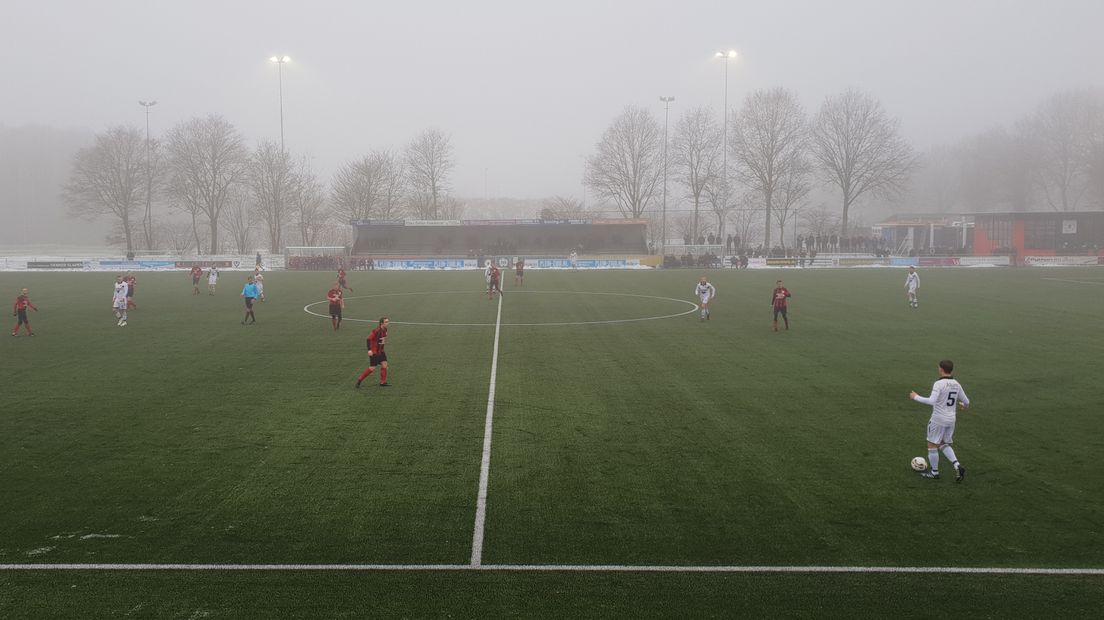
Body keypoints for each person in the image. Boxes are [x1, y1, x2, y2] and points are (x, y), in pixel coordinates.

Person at [909, 359, 970, 481]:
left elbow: (931, 401)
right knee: (943, 443)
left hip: (938, 419)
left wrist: (915, 397)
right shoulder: (957, 384)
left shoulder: (939, 384)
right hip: (951, 420)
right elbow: (966, 402)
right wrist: (964, 406)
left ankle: (934, 472)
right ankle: (957, 465)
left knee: (932, 444)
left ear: (941, 369)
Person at [355, 317, 391, 388]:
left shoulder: (385, 329)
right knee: (372, 368)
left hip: (381, 352)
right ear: (381, 323)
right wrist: (369, 350)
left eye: (388, 322)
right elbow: (368, 339)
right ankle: (359, 380)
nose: (388, 323)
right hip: (374, 352)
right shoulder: (376, 331)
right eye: (386, 322)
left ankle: (382, 382)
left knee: (385, 365)